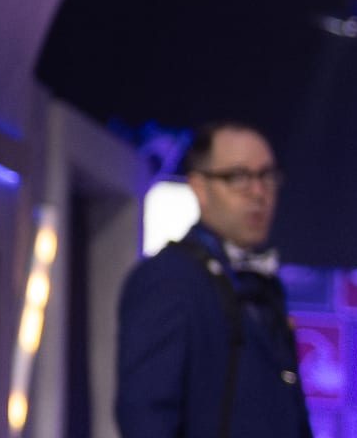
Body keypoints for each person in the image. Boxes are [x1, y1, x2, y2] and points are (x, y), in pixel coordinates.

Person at [116, 121, 312, 438]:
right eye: (238, 177)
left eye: (267, 176)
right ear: (199, 187)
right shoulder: (167, 277)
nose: (258, 192)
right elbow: (146, 415)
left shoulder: (266, 285)